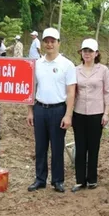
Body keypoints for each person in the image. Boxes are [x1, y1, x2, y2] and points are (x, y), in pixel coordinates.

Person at [27, 28, 76, 193]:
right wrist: (30, 111)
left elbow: (71, 92)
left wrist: (68, 115)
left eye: (52, 41)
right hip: (40, 108)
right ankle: (40, 179)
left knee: (57, 147)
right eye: (46, 41)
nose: (49, 44)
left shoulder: (67, 65)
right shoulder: (37, 64)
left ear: (58, 43)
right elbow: (31, 89)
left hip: (58, 110)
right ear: (43, 43)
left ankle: (57, 180)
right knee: (40, 146)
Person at [71, 39, 109, 192]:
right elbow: (72, 92)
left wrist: (106, 113)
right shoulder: (75, 70)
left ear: (96, 53)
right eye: (85, 51)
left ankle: (92, 179)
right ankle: (80, 180)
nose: (87, 54)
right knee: (80, 147)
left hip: (97, 113)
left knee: (93, 147)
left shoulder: (103, 70)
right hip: (79, 113)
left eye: (90, 51)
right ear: (81, 53)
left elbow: (107, 92)